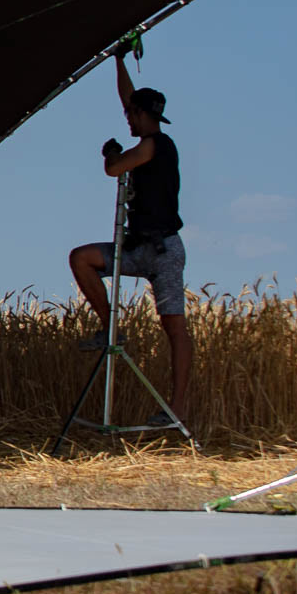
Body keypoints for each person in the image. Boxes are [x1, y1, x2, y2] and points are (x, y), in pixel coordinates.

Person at [66, 47, 190, 428]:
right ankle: (111, 328)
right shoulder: (150, 136)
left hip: (163, 251)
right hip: (137, 248)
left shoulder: (153, 145)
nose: (127, 120)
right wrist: (118, 61)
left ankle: (178, 409)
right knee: (81, 258)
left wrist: (111, 153)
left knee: (174, 328)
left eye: (131, 116)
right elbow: (129, 98)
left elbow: (114, 169)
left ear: (142, 116)